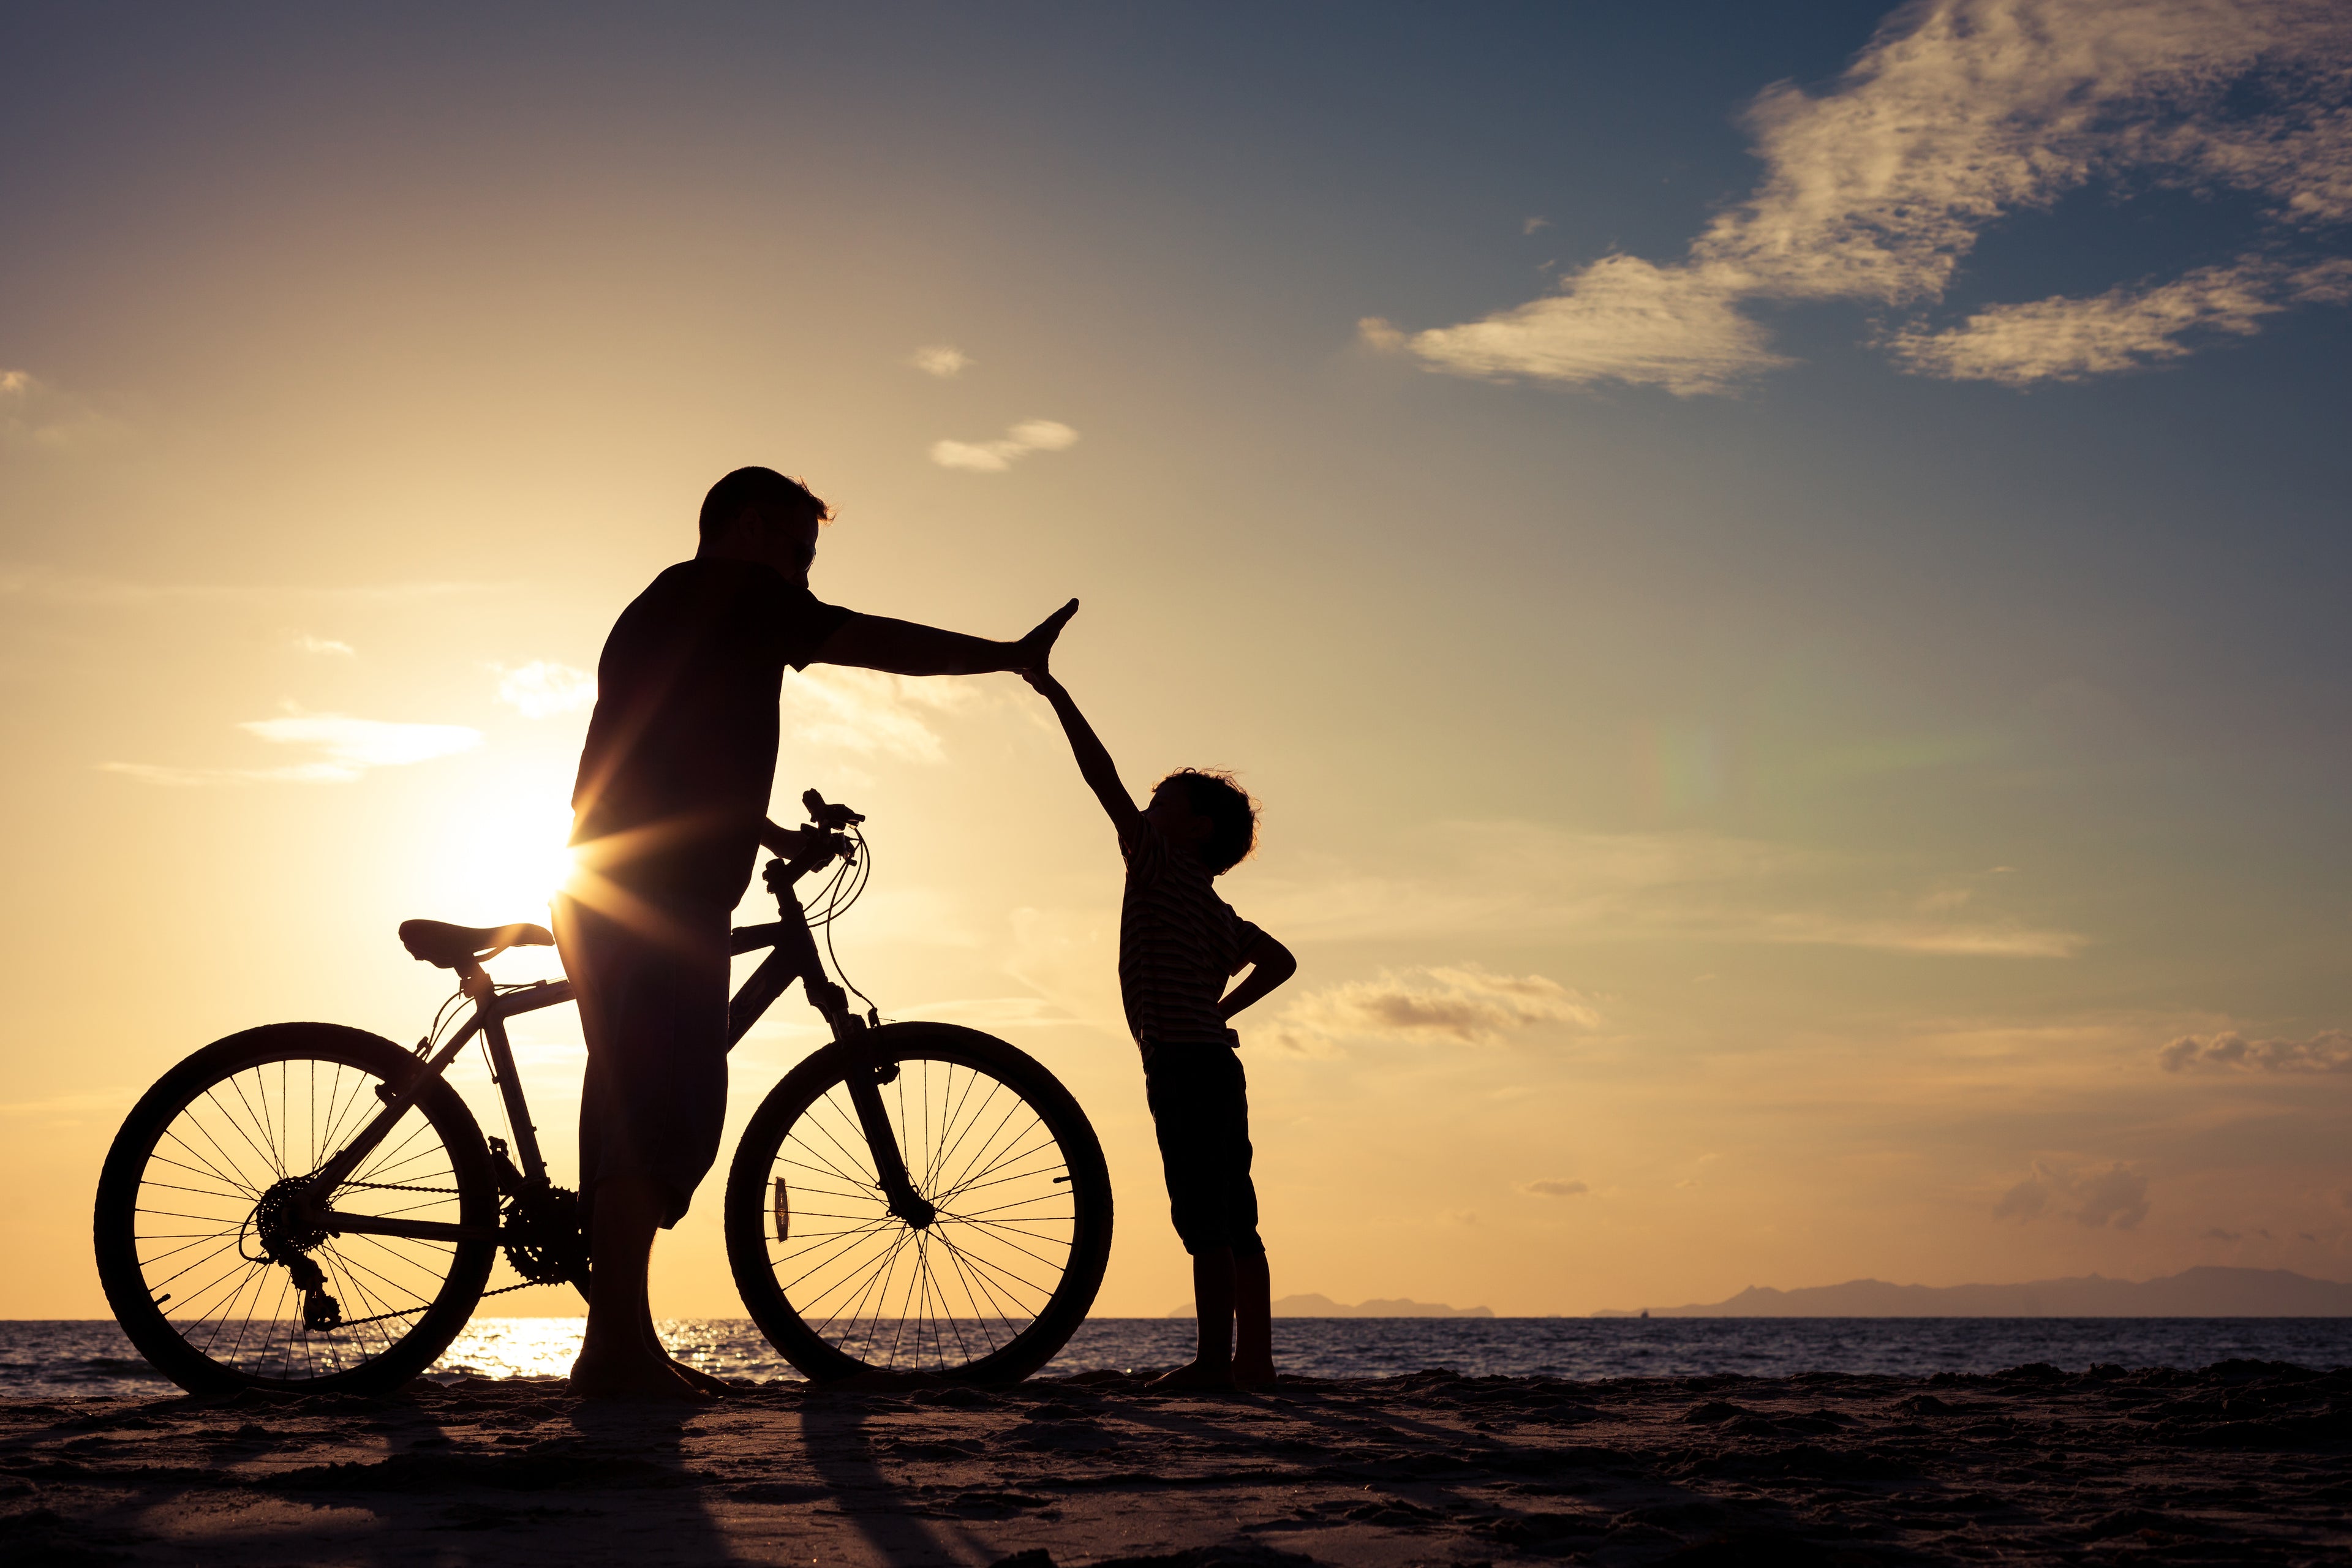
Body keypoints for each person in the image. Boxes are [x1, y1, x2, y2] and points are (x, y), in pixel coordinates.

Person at [557, 465, 1076, 1400]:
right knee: (654, 1106)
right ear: (751, 528)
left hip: (614, 877)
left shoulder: (667, 606)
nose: (803, 575)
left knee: (644, 1098)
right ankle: (612, 1354)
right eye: (799, 552)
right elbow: (871, 640)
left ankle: (622, 1342)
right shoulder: (735, 590)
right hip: (654, 893)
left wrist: (766, 834)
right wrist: (1003, 655)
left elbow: (664, 761)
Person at [1022, 660, 1297, 1389]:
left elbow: (1099, 776)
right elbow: (1280, 961)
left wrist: (1056, 692)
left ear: (1193, 829)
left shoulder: (1155, 864)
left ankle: (1213, 1363)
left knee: (1204, 1217)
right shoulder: (1216, 911)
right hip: (1213, 1063)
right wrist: (1225, 1011)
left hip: (1179, 1064)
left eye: (1159, 801)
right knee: (1237, 1217)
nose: (1144, 809)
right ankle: (1255, 1363)